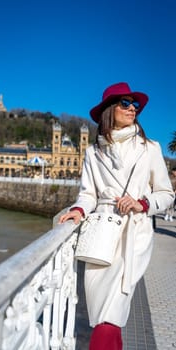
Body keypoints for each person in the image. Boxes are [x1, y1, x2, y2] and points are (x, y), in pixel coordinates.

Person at [59, 82, 174, 350]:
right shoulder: (93, 153)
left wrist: (142, 204)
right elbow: (88, 194)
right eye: (126, 103)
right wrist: (78, 210)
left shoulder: (150, 148)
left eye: (135, 105)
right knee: (104, 315)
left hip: (133, 237)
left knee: (112, 312)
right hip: (101, 235)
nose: (133, 108)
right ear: (110, 109)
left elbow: (166, 194)